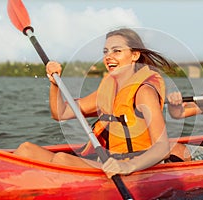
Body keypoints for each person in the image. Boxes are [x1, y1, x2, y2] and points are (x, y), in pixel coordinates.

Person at [14, 28, 173, 178]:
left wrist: (128, 166)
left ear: (135, 55)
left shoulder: (144, 92)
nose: (108, 56)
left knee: (62, 160)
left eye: (116, 51)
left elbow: (162, 148)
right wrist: (55, 84)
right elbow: (60, 113)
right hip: (108, 162)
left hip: (137, 168)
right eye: (106, 52)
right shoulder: (108, 91)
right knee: (26, 149)